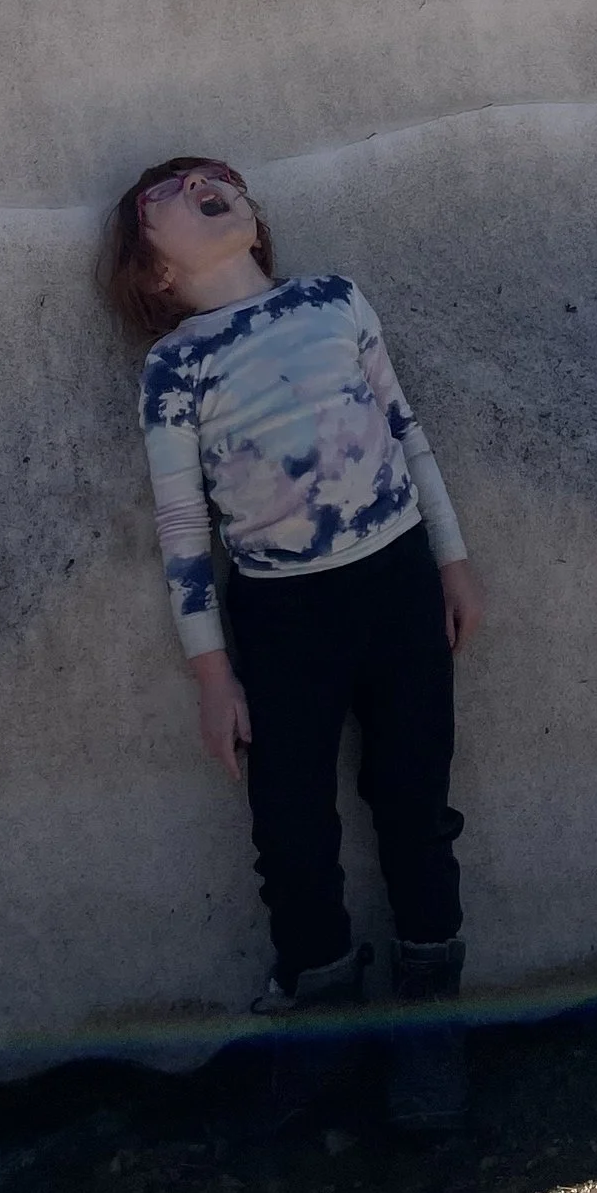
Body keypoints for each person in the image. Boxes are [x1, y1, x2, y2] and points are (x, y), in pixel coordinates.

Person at [97, 154, 485, 1131]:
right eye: (169, 195)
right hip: (278, 619)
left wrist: (452, 561)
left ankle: (430, 1020)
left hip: (396, 583)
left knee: (413, 805)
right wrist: (211, 674)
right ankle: (321, 1022)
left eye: (212, 180)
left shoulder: (336, 301)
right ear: (152, 272)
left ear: (254, 218)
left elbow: (406, 430)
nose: (198, 190)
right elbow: (182, 529)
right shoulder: (175, 366)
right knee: (290, 833)